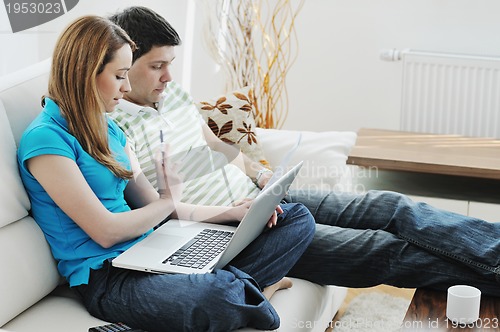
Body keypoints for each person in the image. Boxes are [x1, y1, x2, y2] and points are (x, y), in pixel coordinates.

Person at [109, 6, 500, 297]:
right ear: (124, 64)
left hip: (257, 200)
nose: (169, 76)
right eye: (157, 66)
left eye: (171, 63)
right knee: (384, 250)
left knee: (391, 206)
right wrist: (234, 215)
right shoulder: (114, 127)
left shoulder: (172, 94)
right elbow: (157, 213)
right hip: (226, 229)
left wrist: (263, 176)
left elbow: (214, 146)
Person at [17, 15, 317, 332]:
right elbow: (106, 231)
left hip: (155, 249)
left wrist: (231, 213)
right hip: (109, 276)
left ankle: (238, 291)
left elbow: (161, 207)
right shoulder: (46, 140)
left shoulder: (110, 129)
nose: (128, 86)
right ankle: (259, 290)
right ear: (85, 74)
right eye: (120, 76)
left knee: (295, 218)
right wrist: (166, 199)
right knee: (217, 294)